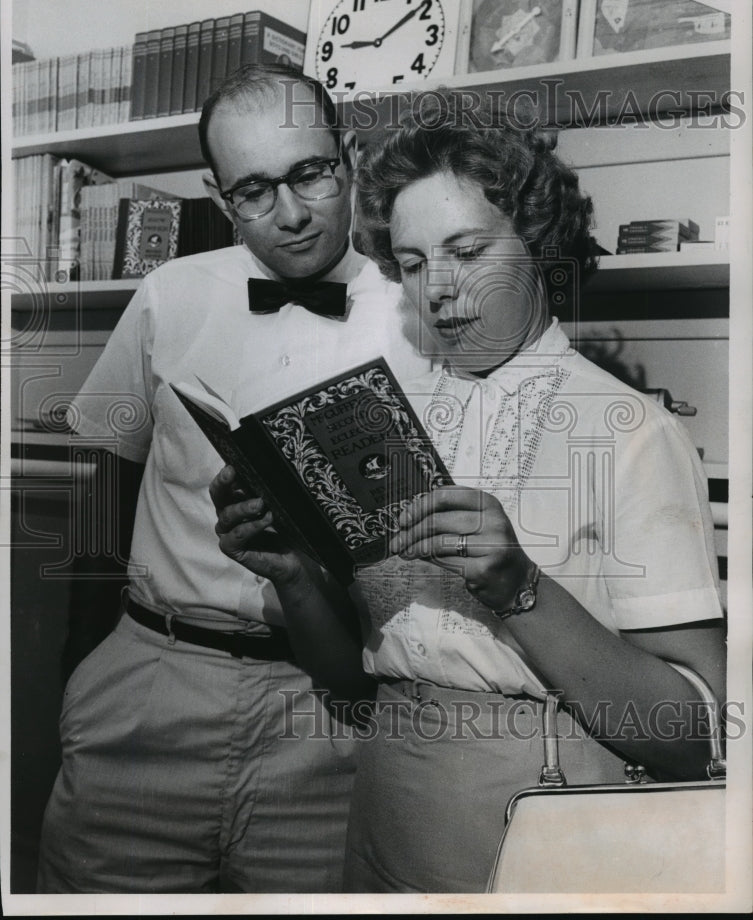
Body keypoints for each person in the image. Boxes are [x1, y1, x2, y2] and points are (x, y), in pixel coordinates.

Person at [210, 90, 727, 893]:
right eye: (412, 264)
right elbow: (352, 681)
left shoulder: (628, 430)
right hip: (384, 797)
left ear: (536, 244)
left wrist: (521, 588)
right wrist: (290, 576)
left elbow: (691, 735)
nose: (436, 290)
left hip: (542, 813)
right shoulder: (390, 423)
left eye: (467, 251)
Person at [36, 63, 429, 894]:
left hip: (334, 707)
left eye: (309, 174)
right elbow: (105, 484)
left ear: (349, 157)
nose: (288, 216)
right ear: (221, 198)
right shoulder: (168, 294)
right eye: (254, 191)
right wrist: (80, 670)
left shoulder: (419, 311)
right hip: (152, 680)